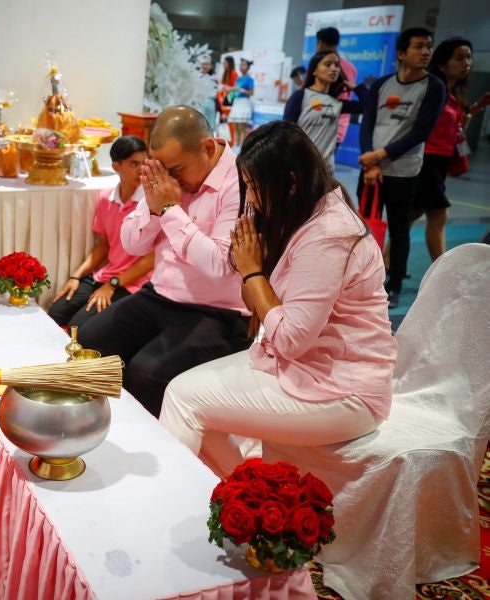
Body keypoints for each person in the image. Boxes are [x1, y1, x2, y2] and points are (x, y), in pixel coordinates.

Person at [159, 121, 397, 479]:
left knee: (183, 398)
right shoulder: (295, 211)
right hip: (301, 363)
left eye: (255, 187)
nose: (250, 198)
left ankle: (198, 506)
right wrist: (250, 270)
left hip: (344, 389)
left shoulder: (328, 235)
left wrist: (253, 271)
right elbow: (254, 298)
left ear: (291, 181)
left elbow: (290, 340)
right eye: (247, 187)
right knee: (184, 395)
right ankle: (246, 501)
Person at [77, 106, 250, 417]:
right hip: (158, 295)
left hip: (217, 310)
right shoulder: (170, 176)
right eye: (163, 169)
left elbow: (218, 267)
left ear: (208, 148)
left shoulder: (239, 183)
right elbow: (133, 241)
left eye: (178, 169)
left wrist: (170, 208)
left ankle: (154, 448)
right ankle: (100, 428)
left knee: (147, 373)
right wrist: (155, 208)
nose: (172, 179)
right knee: (90, 340)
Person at [358, 27, 444, 308]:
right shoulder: (382, 84)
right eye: (418, 46)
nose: (425, 52)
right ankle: (358, 277)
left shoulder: (433, 87)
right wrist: (369, 160)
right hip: (372, 170)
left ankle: (393, 283)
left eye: (428, 47)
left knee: (399, 228)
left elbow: (421, 131)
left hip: (403, 170)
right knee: (363, 226)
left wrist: (378, 155)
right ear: (401, 53)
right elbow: (367, 123)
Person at [48, 136, 154, 329]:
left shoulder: (150, 202)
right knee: (55, 313)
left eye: (144, 163)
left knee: (77, 327)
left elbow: (152, 259)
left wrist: (113, 284)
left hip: (133, 282)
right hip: (106, 275)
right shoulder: (106, 199)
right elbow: (103, 246)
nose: (141, 169)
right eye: (133, 164)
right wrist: (75, 276)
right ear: (116, 167)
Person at [413, 37, 490, 261]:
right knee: (439, 214)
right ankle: (443, 269)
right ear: (442, 64)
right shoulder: (432, 91)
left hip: (442, 161)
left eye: (469, 57)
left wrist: (478, 107)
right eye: (459, 58)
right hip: (427, 159)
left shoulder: (453, 95)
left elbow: (456, 124)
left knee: (414, 213)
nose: (466, 62)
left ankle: (388, 259)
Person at [283, 51, 364, 171]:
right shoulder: (300, 96)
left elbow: (369, 105)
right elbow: (286, 133)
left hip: (327, 172)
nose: (334, 68)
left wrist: (357, 88)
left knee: (338, 191)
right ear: (314, 71)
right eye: (328, 64)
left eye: (336, 65)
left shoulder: (337, 103)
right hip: (301, 170)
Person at [316, 26, 358, 144]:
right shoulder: (351, 67)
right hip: (338, 128)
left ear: (320, 43)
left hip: (318, 125)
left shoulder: (318, 64)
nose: (333, 70)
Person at [227, 59, 255, 148]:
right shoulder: (238, 78)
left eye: (244, 65)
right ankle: (235, 146)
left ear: (248, 67)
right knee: (235, 127)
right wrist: (231, 90)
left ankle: (242, 148)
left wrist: (242, 90)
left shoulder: (250, 79)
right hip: (236, 103)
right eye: (241, 65)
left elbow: (251, 93)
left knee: (242, 128)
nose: (241, 67)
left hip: (244, 103)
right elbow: (235, 89)